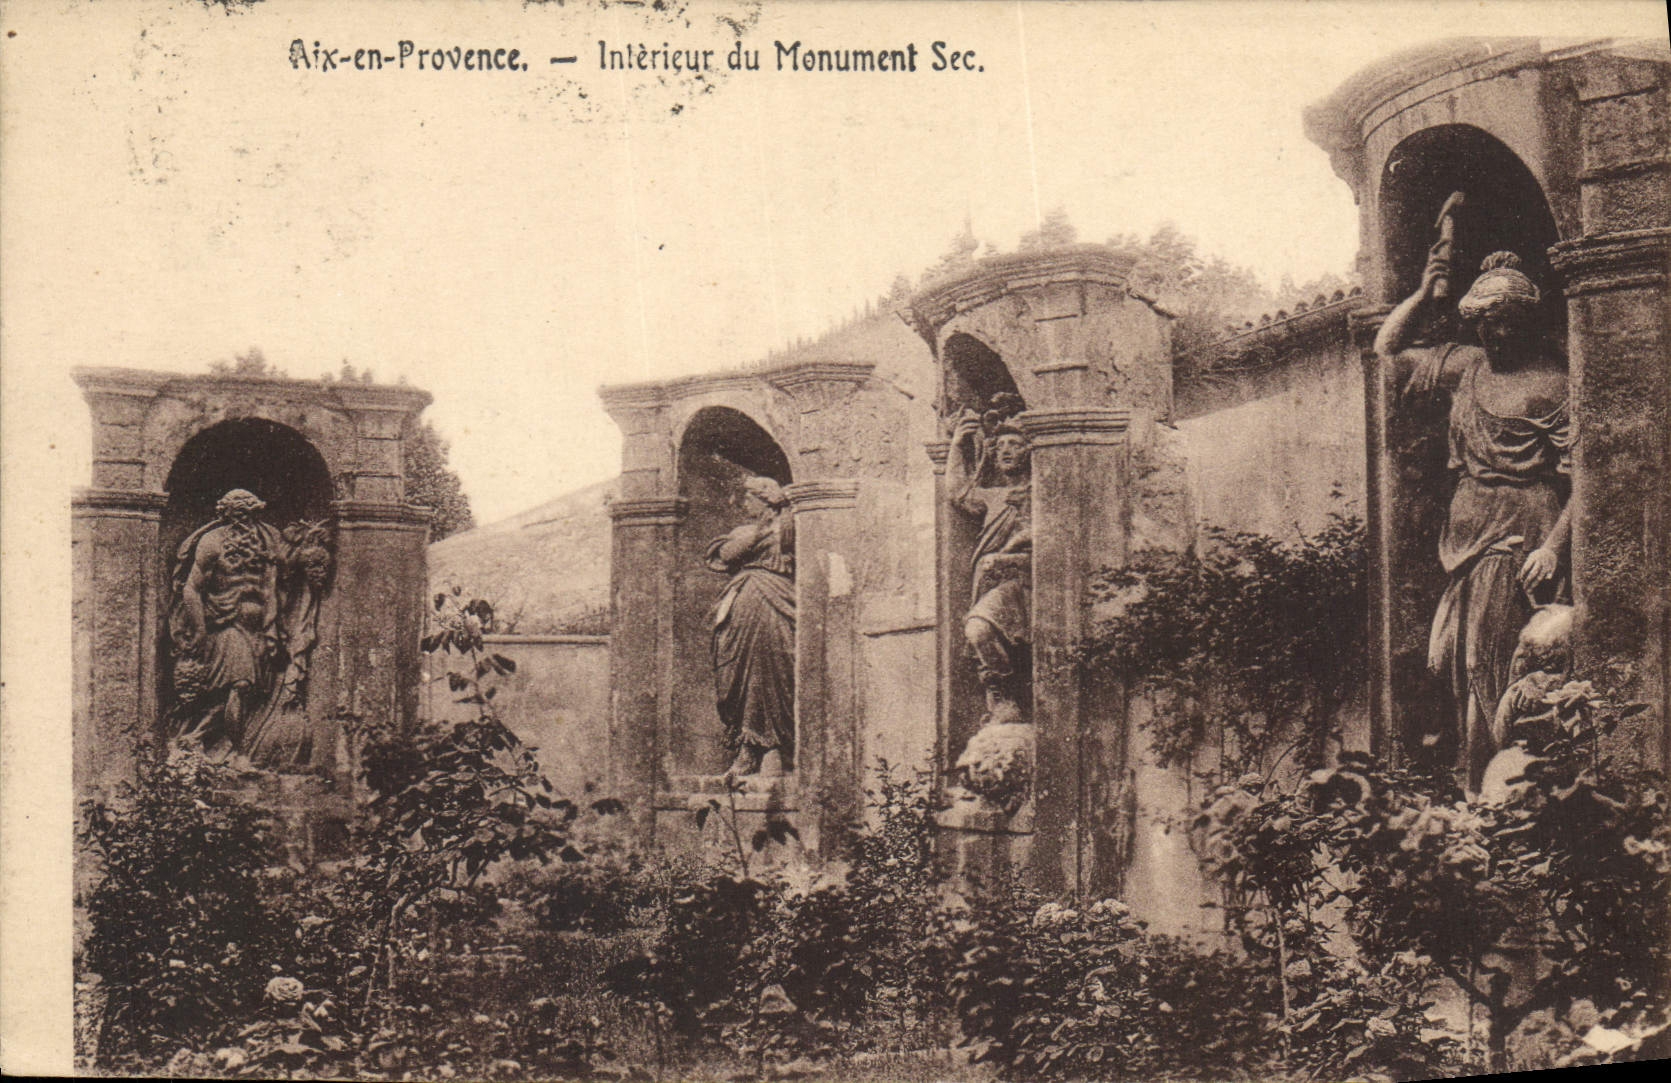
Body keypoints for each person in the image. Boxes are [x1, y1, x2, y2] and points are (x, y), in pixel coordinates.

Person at [1375, 245, 1571, 791]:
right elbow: (1387, 351)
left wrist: (1552, 546)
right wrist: (1422, 294)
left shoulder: (1550, 384)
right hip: (1464, 534)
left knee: (1493, 658)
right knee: (1459, 661)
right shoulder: (1466, 367)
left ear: (1526, 322)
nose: (1495, 335)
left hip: (1521, 530)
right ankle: (1475, 772)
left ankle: (1495, 784)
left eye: (1506, 324)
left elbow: (1583, 480)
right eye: (1485, 324)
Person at [168, 488, 284, 757]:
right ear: (225, 514)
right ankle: (241, 755)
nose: (242, 519)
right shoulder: (212, 542)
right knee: (240, 685)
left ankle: (194, 737)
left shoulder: (268, 540)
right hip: (225, 625)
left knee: (243, 693)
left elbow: (272, 586)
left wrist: (272, 627)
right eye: (236, 513)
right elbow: (191, 588)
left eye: (248, 512)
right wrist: (199, 630)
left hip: (258, 627)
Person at [947, 408, 1033, 727]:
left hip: (1027, 583)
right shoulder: (994, 498)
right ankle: (1002, 690)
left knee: (979, 628)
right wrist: (957, 447)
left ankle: (1006, 692)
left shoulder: (1042, 492)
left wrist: (1006, 557)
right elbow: (958, 493)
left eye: (1015, 444)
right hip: (994, 584)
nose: (1006, 450)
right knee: (977, 631)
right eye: (1001, 446)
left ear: (1030, 450)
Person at [707, 476, 796, 778]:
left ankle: (771, 748)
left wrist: (782, 510)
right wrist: (761, 529)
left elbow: (794, 538)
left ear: (765, 500)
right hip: (742, 609)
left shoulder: (788, 528)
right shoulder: (745, 531)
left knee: (772, 671)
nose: (743, 503)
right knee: (737, 673)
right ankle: (747, 748)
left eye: (749, 498)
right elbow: (727, 554)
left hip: (777, 603)